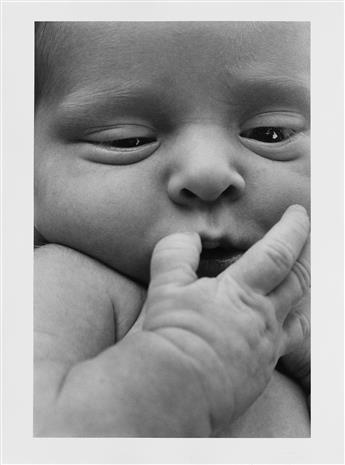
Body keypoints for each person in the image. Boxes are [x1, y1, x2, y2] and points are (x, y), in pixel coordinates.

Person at [34, 21, 311, 437]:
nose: (208, 173)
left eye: (270, 134)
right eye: (127, 140)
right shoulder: (62, 282)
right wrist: (177, 369)